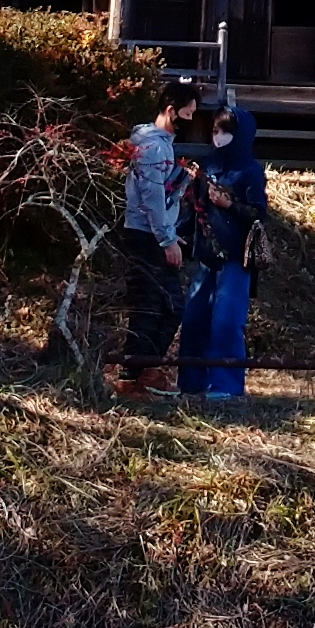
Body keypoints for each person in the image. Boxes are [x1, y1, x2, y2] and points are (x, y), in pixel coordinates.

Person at [177, 86, 266, 402]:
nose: (218, 136)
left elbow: (259, 213)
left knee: (227, 321)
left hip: (236, 257)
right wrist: (178, 234)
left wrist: (231, 206)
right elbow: (193, 207)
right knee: (194, 319)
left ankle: (226, 384)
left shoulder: (250, 171)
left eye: (225, 131)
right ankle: (191, 381)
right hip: (206, 253)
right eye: (215, 130)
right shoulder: (208, 165)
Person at [113, 82, 190, 396]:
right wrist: (167, 238)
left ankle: (144, 371)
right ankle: (135, 374)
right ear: (171, 111)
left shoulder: (160, 144)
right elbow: (152, 197)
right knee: (157, 306)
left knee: (159, 305)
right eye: (187, 113)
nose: (190, 120)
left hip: (153, 233)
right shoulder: (154, 146)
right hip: (147, 236)